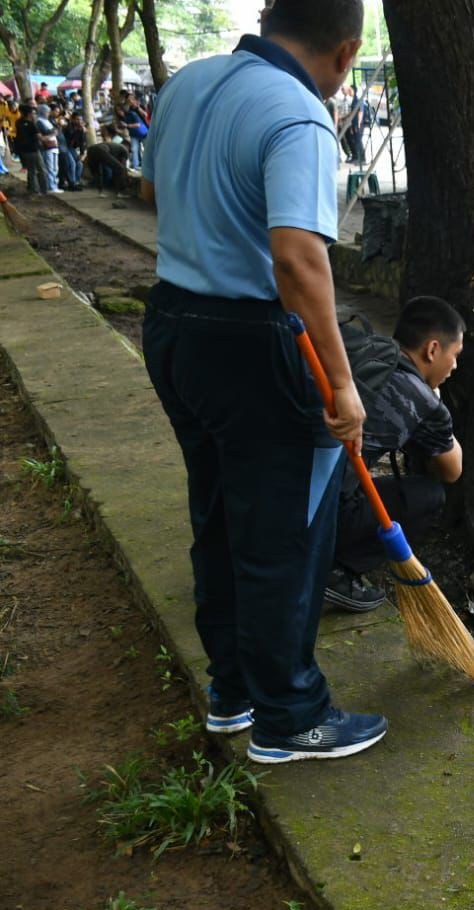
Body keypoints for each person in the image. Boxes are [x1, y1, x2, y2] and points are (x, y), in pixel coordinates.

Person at [140, 0, 388, 763]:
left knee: (218, 515)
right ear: (345, 53)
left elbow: (150, 190)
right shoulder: (300, 117)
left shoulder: (188, 81)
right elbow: (297, 259)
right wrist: (343, 385)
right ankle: (291, 718)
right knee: (283, 534)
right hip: (254, 343)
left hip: (174, 325)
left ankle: (234, 692)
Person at [326, 297, 465, 611]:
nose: (455, 366)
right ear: (432, 350)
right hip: (323, 513)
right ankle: (334, 572)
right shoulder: (421, 398)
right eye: (454, 355)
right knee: (429, 496)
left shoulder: (367, 351)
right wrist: (435, 402)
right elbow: (452, 470)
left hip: (291, 488)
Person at [85, 129, 131, 194]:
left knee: (98, 172)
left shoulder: (115, 146)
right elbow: (123, 166)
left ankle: (100, 192)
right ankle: (121, 192)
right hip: (101, 150)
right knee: (120, 168)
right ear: (128, 147)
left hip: (91, 150)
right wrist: (126, 178)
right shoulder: (125, 150)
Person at [14, 104, 46, 194]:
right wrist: (53, 134)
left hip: (24, 150)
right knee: (41, 169)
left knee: (31, 171)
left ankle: (34, 189)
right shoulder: (32, 125)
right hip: (33, 149)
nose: (34, 115)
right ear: (29, 114)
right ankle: (43, 189)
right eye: (33, 113)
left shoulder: (18, 122)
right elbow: (40, 137)